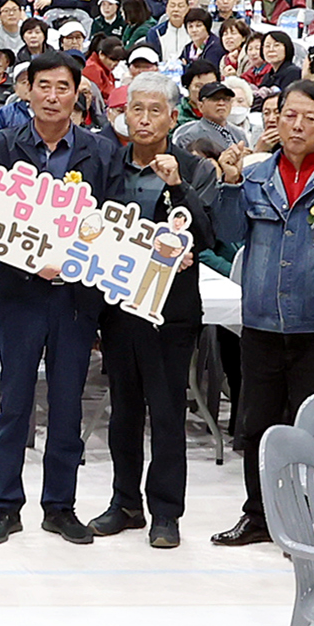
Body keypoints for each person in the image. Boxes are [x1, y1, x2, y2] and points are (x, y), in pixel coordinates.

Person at [209, 83, 314, 546]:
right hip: (260, 320)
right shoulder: (255, 177)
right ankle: (257, 515)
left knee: (309, 426)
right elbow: (229, 232)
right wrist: (231, 183)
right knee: (256, 424)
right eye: (289, 116)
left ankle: (301, 521)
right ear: (274, 120)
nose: (297, 126)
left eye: (310, 118)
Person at [0, 51, 115, 545]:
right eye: (43, 86)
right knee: (13, 404)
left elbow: (110, 224)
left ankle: (60, 505)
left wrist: (73, 259)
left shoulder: (100, 152)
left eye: (63, 87)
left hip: (76, 298)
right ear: (26, 90)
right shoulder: (1, 146)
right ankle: (5, 506)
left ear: (79, 93)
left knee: (67, 406)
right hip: (20, 294)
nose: (53, 96)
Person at [92, 72, 218, 547]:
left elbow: (207, 236)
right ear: (124, 115)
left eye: (153, 111)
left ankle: (167, 512)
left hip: (172, 311)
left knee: (166, 412)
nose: (143, 120)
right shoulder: (107, 164)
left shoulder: (195, 167)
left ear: (172, 116)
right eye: (135, 110)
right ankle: (125, 502)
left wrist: (178, 186)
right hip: (119, 306)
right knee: (124, 409)